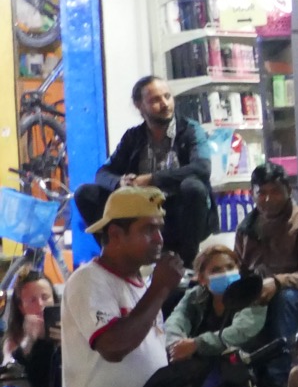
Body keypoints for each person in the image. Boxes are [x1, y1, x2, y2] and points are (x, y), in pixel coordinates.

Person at [54, 188, 183, 387]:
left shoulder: (142, 287)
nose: (159, 239)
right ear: (115, 234)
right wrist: (160, 289)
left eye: (160, 229)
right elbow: (112, 346)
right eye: (148, 230)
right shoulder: (89, 280)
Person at [76, 76, 212, 262]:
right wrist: (120, 183)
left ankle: (186, 262)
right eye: (155, 100)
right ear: (139, 105)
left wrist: (151, 179)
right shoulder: (133, 136)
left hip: (179, 214)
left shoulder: (190, 130)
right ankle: (114, 257)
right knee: (85, 193)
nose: (165, 104)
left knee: (193, 187)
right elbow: (103, 173)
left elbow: (202, 168)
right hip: (142, 212)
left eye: (167, 96)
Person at [232, 160, 298, 387]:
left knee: (285, 299)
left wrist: (278, 282)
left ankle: (282, 379)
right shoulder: (247, 227)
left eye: (275, 192)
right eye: (261, 193)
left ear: (288, 191)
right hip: (258, 293)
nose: (267, 199)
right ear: (252, 195)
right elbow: (238, 267)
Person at [164, 245, 268, 362]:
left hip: (240, 365)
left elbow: (241, 332)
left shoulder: (252, 294)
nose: (226, 273)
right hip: (199, 364)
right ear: (202, 279)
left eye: (230, 267)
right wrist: (176, 345)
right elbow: (176, 320)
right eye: (216, 270)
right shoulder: (196, 295)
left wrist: (196, 344)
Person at [4, 270, 60, 387]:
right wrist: (29, 340)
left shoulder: (69, 328)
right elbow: (9, 371)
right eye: (32, 300)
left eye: (45, 297)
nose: (40, 305)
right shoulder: (16, 338)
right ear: (21, 307)